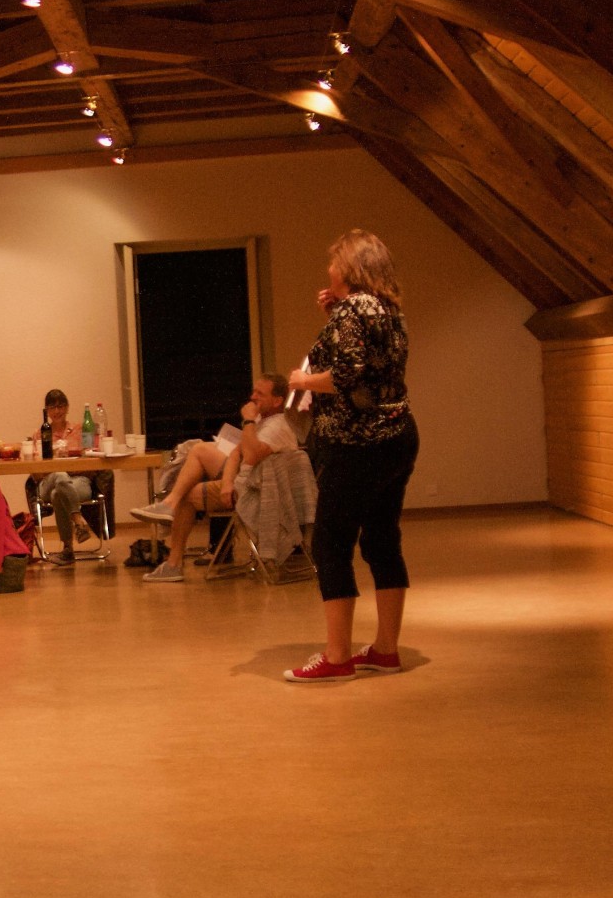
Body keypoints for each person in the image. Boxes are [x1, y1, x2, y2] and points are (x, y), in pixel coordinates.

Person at [283, 229, 418, 682]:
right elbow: (371, 365)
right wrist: (332, 314)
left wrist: (301, 382)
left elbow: (344, 374)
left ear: (350, 268)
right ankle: (385, 649)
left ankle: (337, 656)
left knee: (330, 544)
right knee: (382, 540)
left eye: (334, 262)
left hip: (355, 443)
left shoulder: (353, 309)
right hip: (396, 434)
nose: (329, 270)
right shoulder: (388, 310)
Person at [132, 373, 296, 583]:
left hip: (257, 491)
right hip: (248, 480)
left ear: (277, 400)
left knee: (187, 494)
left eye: (260, 394)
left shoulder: (277, 426)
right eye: (254, 391)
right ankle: (168, 505)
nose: (253, 397)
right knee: (199, 450)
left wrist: (247, 420)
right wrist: (227, 483)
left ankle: (173, 562)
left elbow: (252, 456)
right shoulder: (264, 422)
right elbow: (238, 453)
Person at [33, 388, 93, 566]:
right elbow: (36, 472)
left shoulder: (80, 429)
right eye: (52, 407)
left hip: (79, 481)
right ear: (47, 411)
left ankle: (68, 550)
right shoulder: (40, 433)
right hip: (48, 482)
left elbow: (91, 460)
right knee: (59, 474)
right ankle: (78, 520)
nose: (57, 411)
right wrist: (59, 466)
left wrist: (70, 467)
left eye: (60, 406)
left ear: (67, 408)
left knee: (58, 494)